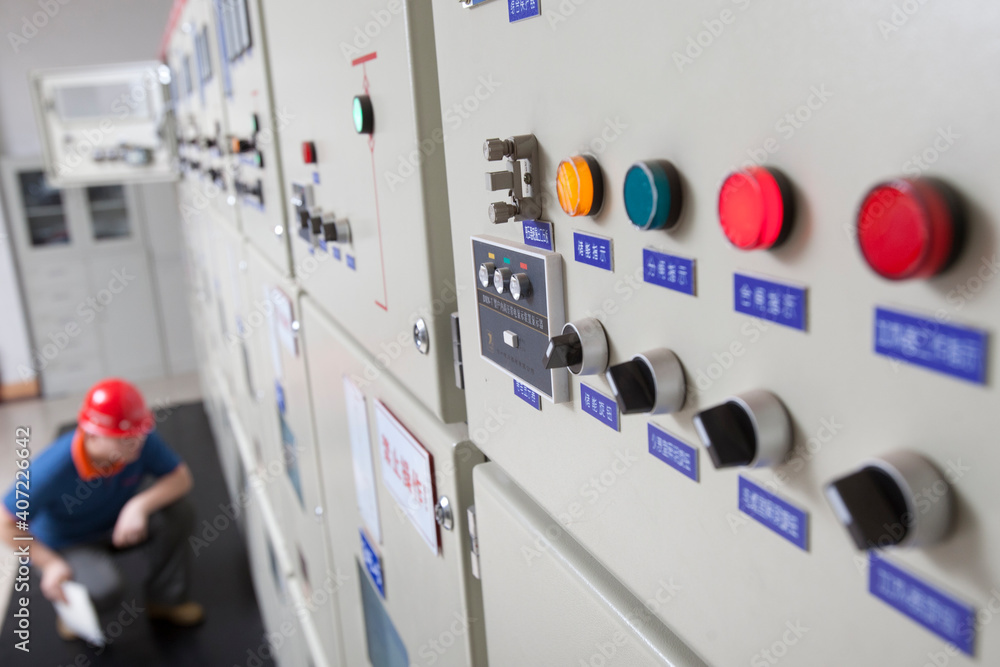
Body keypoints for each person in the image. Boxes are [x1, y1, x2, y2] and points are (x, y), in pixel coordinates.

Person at [0, 378, 203, 641]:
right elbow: (5, 522)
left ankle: (165, 600)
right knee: (104, 590)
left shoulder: (138, 440)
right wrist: (49, 563)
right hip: (69, 542)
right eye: (124, 438)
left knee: (178, 512)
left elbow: (181, 478)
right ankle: (70, 609)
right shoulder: (51, 469)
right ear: (91, 434)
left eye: (139, 434)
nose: (136, 443)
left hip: (118, 524)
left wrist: (138, 506)